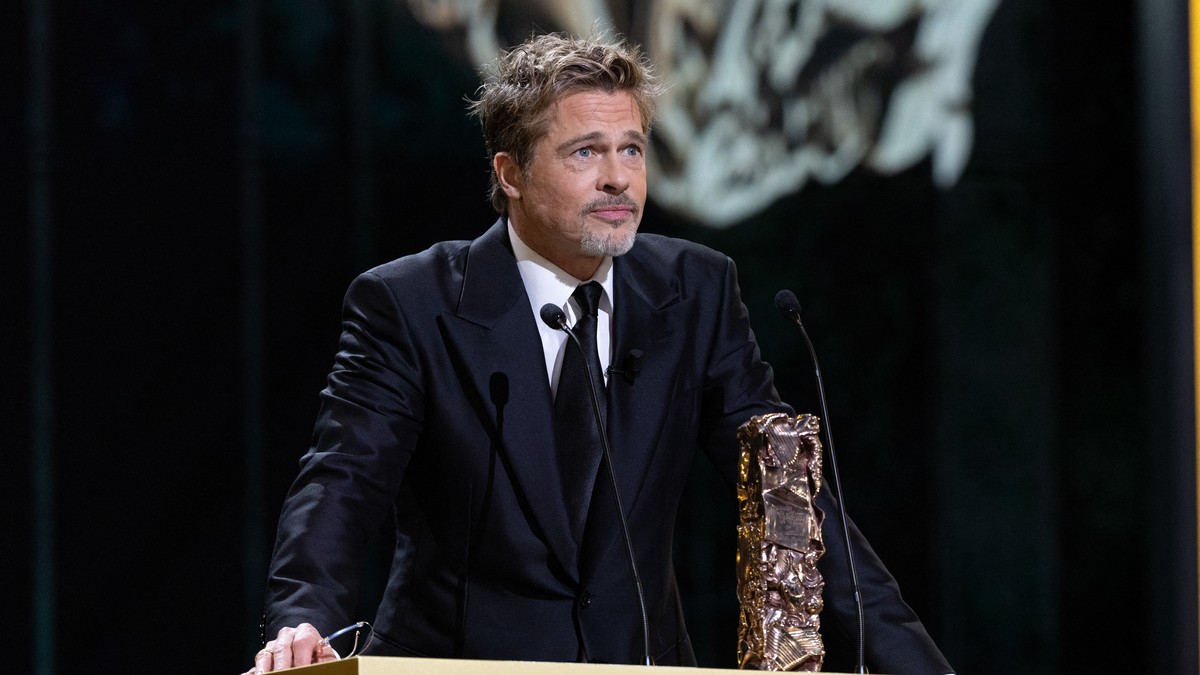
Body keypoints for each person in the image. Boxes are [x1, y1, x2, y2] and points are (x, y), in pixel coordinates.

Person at [245, 31, 954, 674]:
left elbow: (790, 499)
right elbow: (342, 480)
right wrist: (304, 620)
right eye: (586, 152)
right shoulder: (412, 303)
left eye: (632, 149)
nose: (619, 179)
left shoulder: (694, 291)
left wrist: (913, 663)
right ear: (510, 173)